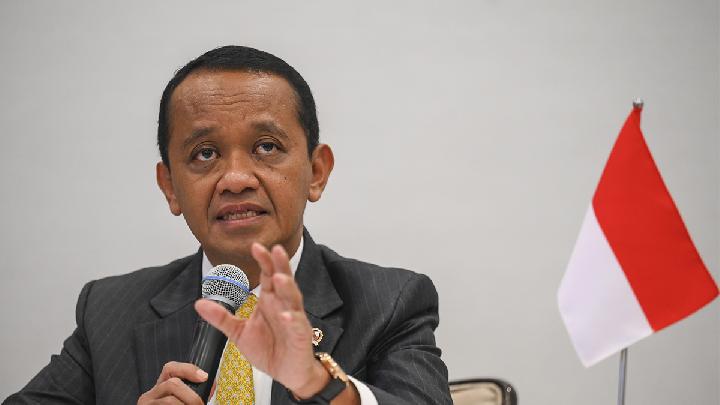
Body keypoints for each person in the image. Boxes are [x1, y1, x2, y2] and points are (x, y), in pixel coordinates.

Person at [5, 46, 451, 405]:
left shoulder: (388, 302)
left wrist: (322, 386)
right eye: (205, 153)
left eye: (266, 147)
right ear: (170, 187)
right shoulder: (110, 311)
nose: (236, 179)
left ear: (316, 172)